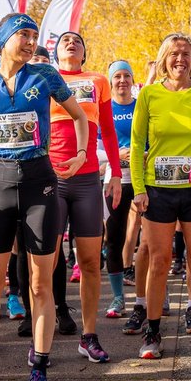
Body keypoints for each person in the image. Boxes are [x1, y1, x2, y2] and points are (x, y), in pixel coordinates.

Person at [0, 13, 88, 381]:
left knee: (39, 284)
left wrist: (81, 153)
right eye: (23, 35)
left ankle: (39, 371)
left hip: (40, 183)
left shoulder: (45, 76)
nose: (31, 41)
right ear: (3, 40)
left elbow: (80, 116)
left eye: (34, 35)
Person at [130, 33, 191, 360]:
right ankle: (152, 331)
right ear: (164, 59)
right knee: (159, 261)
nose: (180, 59)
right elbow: (137, 143)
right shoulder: (149, 95)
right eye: (173, 54)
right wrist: (139, 190)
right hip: (157, 190)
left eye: (185, 53)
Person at [49, 32, 122, 363]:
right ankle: (41, 342)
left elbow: (108, 130)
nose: (70, 42)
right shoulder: (45, 78)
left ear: (84, 51)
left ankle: (89, 335)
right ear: (55, 51)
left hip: (88, 180)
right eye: (64, 40)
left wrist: (116, 175)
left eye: (76, 40)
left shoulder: (98, 80)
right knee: (47, 262)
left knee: (91, 261)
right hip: (50, 179)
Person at [104, 60, 137, 321]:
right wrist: (115, 155)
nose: (122, 80)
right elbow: (93, 143)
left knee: (150, 240)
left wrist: (141, 154)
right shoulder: (105, 108)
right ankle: (118, 298)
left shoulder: (140, 106)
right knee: (113, 239)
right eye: (117, 76)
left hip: (142, 178)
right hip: (114, 180)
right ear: (110, 81)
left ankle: (155, 296)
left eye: (127, 75)